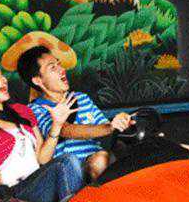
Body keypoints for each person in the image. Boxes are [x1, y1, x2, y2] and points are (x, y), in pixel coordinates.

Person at [0, 61, 84, 202]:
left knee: (69, 160)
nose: (3, 79)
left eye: (2, 74)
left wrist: (57, 125)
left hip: (37, 185)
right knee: (67, 161)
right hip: (12, 196)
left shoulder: (22, 111)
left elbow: (42, 159)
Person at [17, 46, 133, 181]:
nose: (62, 70)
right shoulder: (35, 110)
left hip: (98, 161)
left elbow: (104, 126)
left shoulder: (81, 98)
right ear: (38, 80)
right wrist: (110, 127)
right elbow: (65, 130)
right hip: (69, 174)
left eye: (59, 64)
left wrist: (121, 122)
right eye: (53, 67)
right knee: (100, 160)